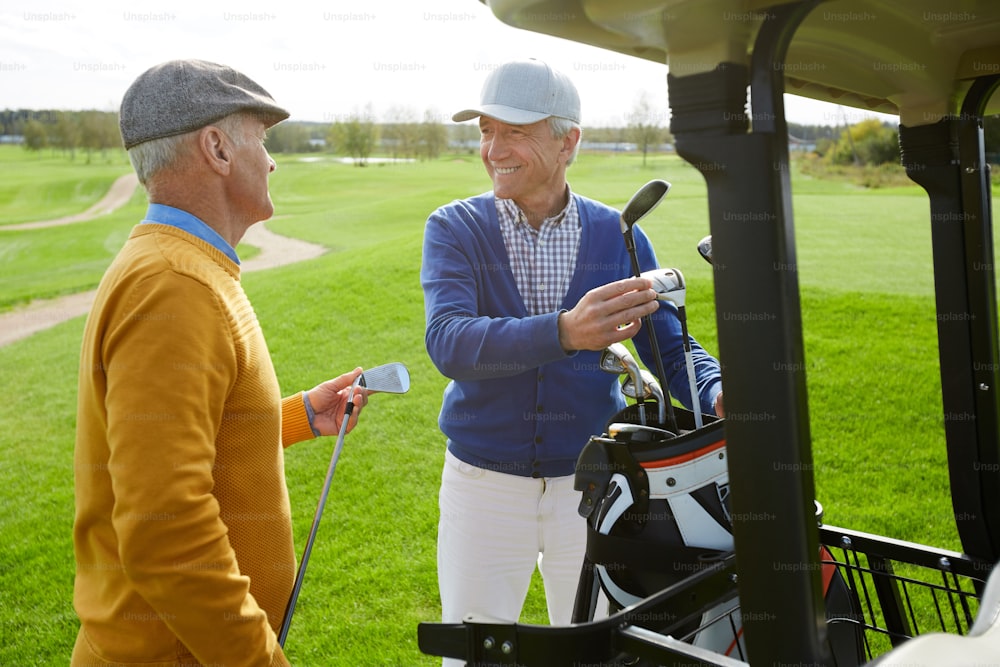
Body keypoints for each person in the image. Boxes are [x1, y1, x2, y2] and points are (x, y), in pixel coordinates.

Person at [420, 58, 725, 659]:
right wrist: (565, 331)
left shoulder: (621, 237)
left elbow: (669, 347)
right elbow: (450, 341)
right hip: (481, 487)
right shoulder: (455, 227)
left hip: (592, 491)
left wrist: (714, 388)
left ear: (568, 141)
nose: (492, 147)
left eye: (514, 131)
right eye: (485, 130)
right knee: (473, 652)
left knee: (601, 651)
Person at [72, 59, 366, 666]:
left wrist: (299, 417)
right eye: (261, 138)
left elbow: (194, 440)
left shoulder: (184, 265)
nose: (272, 159)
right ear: (217, 149)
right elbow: (166, 533)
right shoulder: (173, 284)